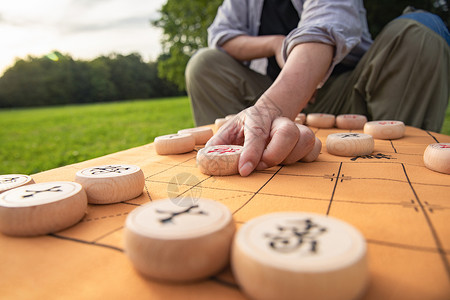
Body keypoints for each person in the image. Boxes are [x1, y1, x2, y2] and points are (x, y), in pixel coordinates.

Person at [185, 0, 450, 177]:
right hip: (269, 90)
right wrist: (276, 44)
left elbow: (324, 26)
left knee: (423, 31)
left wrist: (272, 108)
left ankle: (402, 173)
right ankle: (239, 155)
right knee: (204, 64)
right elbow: (221, 36)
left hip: (345, 92)